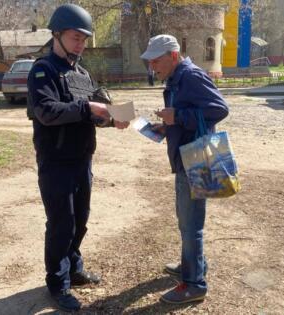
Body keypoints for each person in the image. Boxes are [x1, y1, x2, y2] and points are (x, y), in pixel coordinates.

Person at [27, 4, 129, 312]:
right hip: (56, 163)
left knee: (80, 221)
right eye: (75, 38)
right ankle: (58, 284)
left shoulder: (82, 74)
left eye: (84, 39)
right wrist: (88, 109)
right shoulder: (43, 70)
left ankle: (74, 269)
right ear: (57, 35)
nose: (80, 44)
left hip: (82, 160)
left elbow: (97, 112)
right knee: (61, 224)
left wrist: (114, 118)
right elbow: (47, 112)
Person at [140, 34, 229, 304]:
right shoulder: (176, 78)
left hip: (196, 159)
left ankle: (194, 284)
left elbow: (220, 109)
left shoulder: (190, 76)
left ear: (174, 56)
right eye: (150, 61)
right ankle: (192, 265)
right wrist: (167, 127)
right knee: (186, 221)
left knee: (191, 226)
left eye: (156, 60)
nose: (152, 66)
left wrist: (177, 116)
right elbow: (191, 111)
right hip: (185, 157)